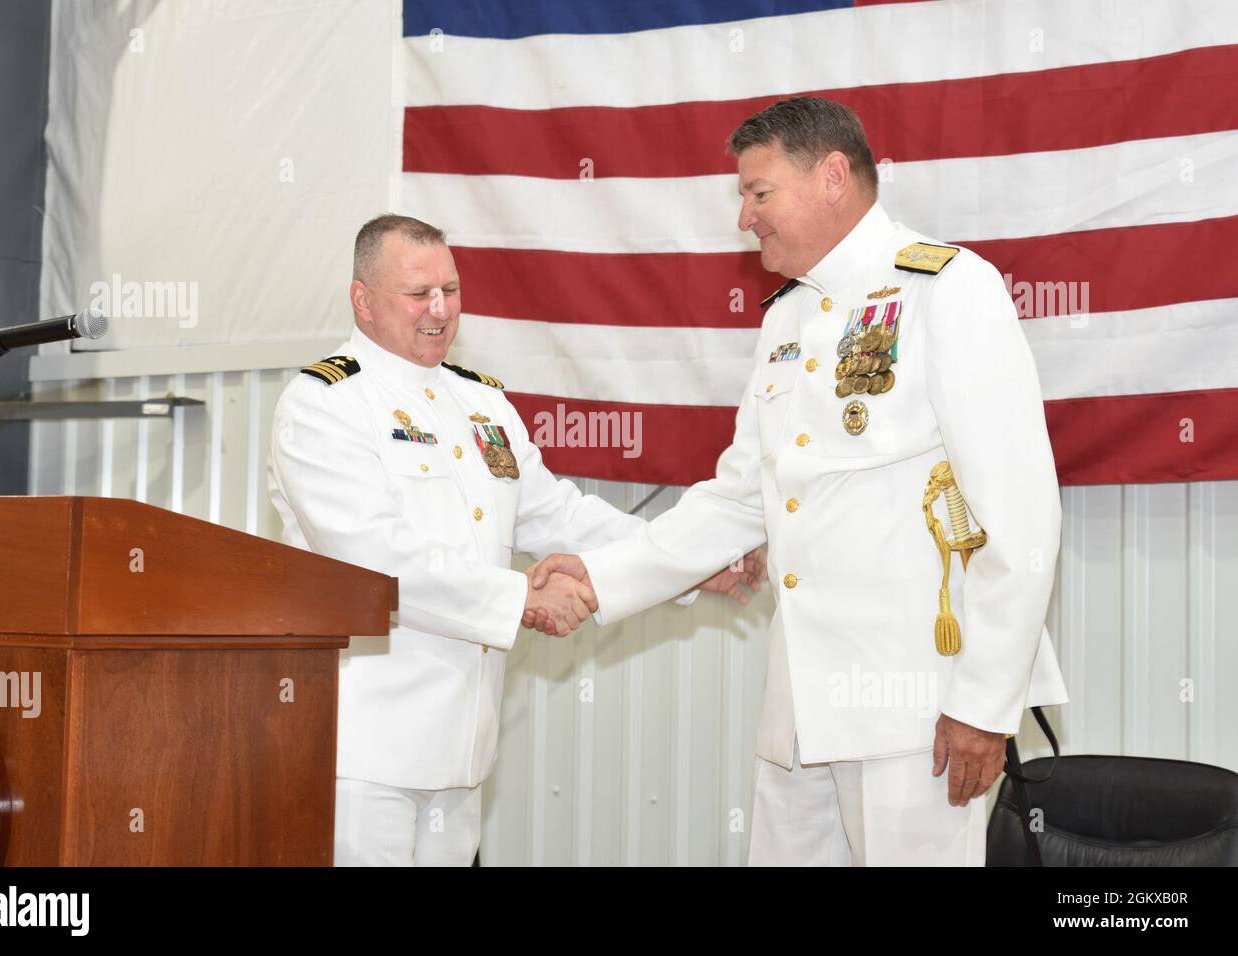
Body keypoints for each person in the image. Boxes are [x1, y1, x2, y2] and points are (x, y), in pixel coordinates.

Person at [527, 97, 1069, 866]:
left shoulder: (945, 288)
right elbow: (743, 494)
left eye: (758, 192)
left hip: (915, 711)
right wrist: (600, 575)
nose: (746, 217)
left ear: (832, 178)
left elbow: (1019, 515)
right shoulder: (786, 319)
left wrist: (984, 705)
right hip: (801, 707)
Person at [268, 215, 762, 866]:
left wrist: (692, 564)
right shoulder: (323, 403)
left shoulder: (481, 406)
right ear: (363, 299)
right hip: (360, 750)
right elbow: (374, 559)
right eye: (419, 294)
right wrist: (521, 601)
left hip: (464, 749)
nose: (440, 310)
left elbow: (558, 514)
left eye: (451, 289)